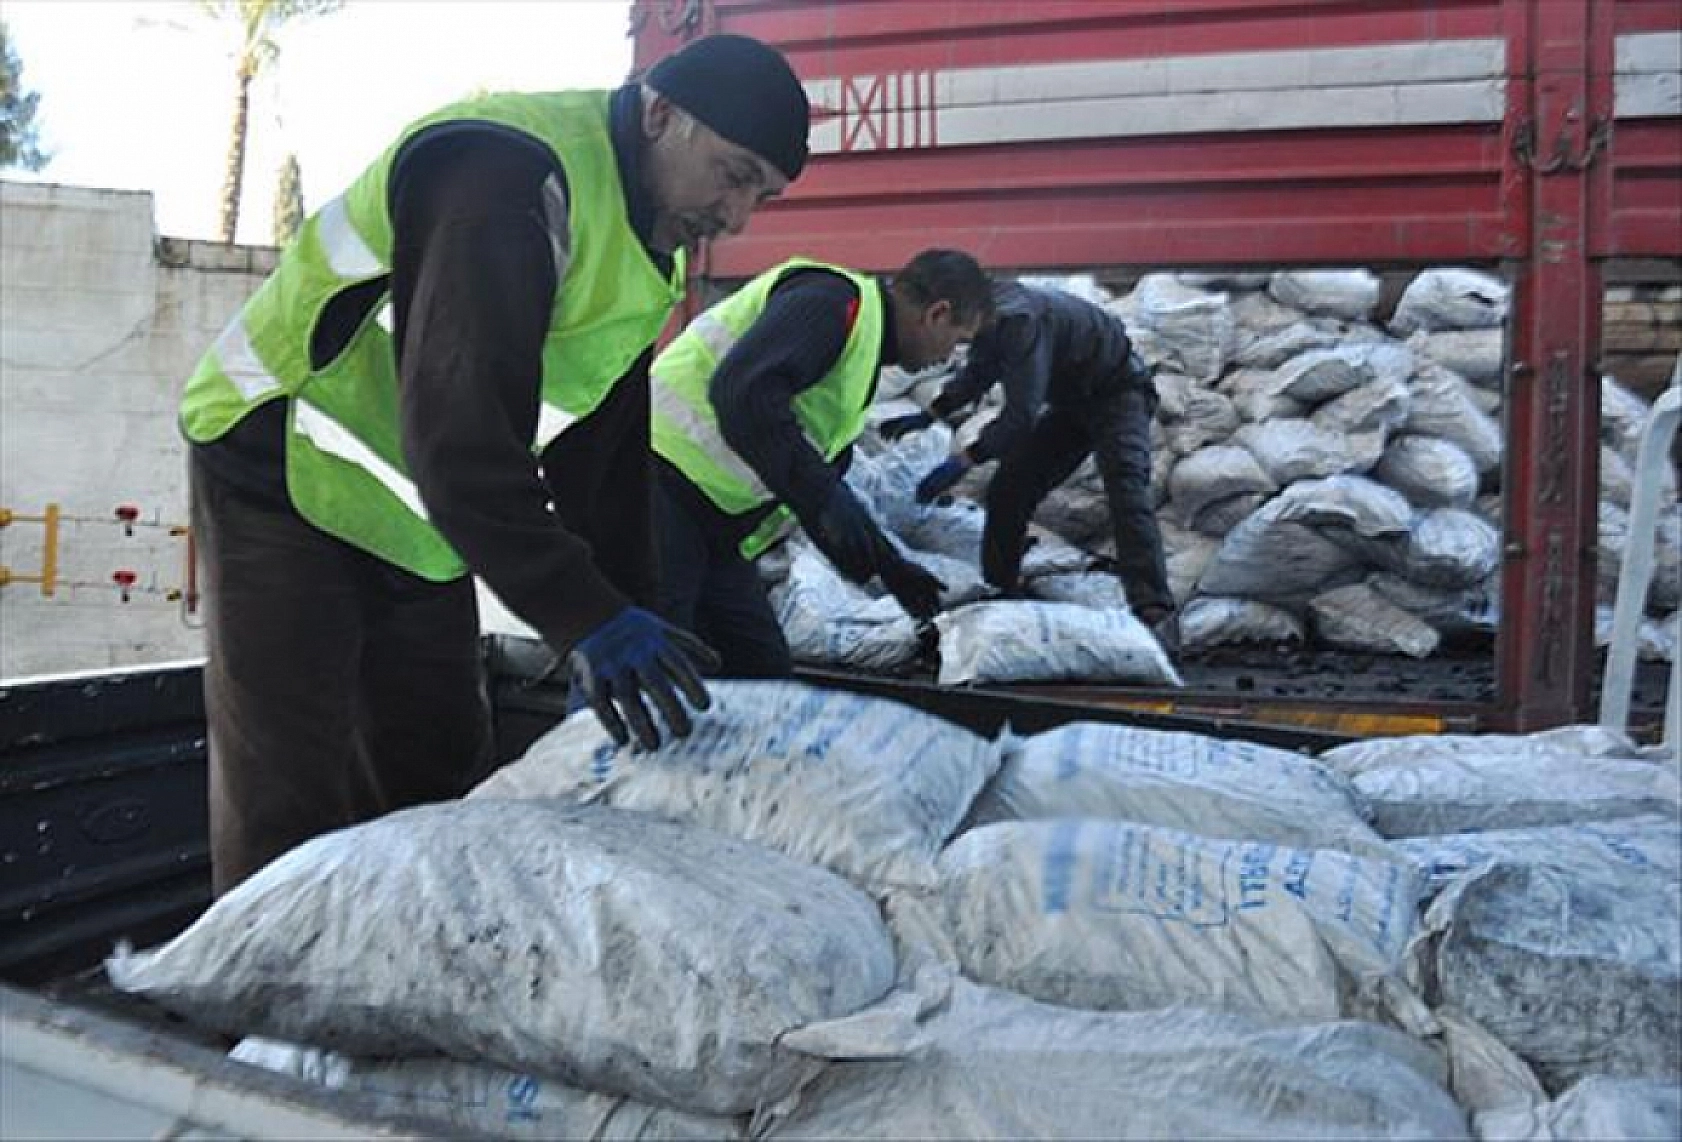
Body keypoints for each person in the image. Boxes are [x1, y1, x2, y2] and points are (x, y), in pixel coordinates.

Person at [178, 34, 811, 893]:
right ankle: (257, 1007)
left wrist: (628, 609)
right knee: (291, 783)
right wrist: (584, 618)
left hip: (413, 509)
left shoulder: (648, 246)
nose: (735, 218)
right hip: (279, 458)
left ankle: (405, 965)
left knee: (435, 757)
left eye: (761, 198)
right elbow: (461, 439)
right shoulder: (503, 176)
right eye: (733, 175)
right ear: (661, 114)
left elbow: (605, 457)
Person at [650, 250, 993, 676]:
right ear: (937, 314)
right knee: (653, 668)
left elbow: (816, 480)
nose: (948, 358)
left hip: (712, 524)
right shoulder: (831, 302)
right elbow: (744, 394)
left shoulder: (861, 354)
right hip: (657, 488)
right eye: (958, 340)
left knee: (761, 671)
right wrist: (827, 497)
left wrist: (888, 565)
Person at [884, 279, 1179, 652]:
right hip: (1072, 404)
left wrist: (965, 459)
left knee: (1125, 488)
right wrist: (932, 413)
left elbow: (1020, 415)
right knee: (1009, 489)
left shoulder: (1020, 321)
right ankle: (1001, 589)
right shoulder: (985, 319)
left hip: (1118, 393)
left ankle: (1155, 612)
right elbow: (977, 374)